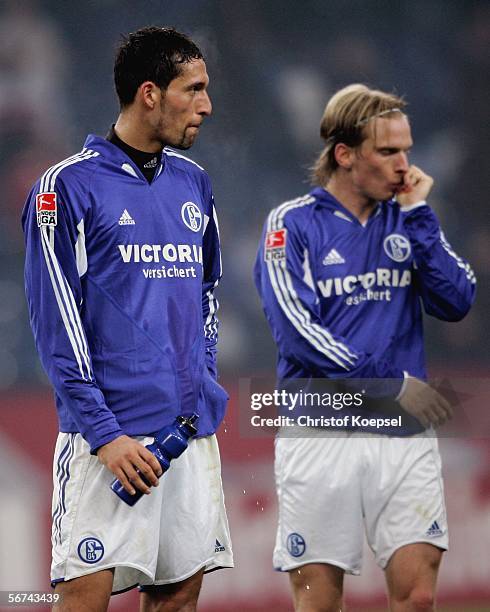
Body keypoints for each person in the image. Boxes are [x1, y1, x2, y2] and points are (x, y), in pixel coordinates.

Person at [22, 26, 233, 612]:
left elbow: (208, 292)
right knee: (83, 603)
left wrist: (202, 385)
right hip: (108, 442)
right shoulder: (66, 187)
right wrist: (104, 433)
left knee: (177, 604)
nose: (206, 106)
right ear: (149, 93)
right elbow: (55, 320)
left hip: (186, 438)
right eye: (193, 89)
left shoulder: (195, 183)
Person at [254, 84, 476, 611]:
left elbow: (458, 299)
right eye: (389, 151)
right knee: (320, 604)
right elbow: (297, 333)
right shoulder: (292, 224)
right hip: (320, 428)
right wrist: (390, 384)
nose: (405, 165)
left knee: (418, 596)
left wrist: (422, 217)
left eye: (408, 149)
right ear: (345, 155)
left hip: (400, 433)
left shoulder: (410, 219)